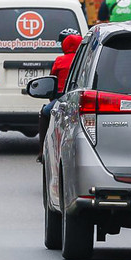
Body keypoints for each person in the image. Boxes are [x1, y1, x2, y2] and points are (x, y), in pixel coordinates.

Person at [37, 30, 82, 162]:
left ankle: (42, 151)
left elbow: (52, 79)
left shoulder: (60, 60)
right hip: (81, 99)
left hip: (62, 98)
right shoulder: (83, 60)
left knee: (45, 112)